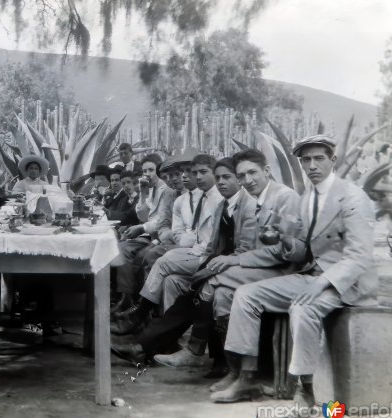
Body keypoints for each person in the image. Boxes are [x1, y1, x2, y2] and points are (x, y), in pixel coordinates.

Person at [211, 136, 376, 418]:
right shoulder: (308, 198)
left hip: (346, 282)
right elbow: (302, 251)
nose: (311, 165)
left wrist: (322, 283)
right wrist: (286, 239)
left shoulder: (352, 196)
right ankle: (247, 377)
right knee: (246, 294)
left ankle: (305, 391)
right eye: (305, 160)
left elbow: (359, 256)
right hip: (312, 274)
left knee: (303, 307)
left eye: (318, 158)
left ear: (332, 160)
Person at [154, 149, 301, 382]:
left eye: (252, 173)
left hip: (282, 271)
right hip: (259, 266)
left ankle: (196, 350)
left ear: (267, 171)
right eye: (242, 176)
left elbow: (283, 252)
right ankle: (234, 370)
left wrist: (233, 260)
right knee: (221, 294)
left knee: (210, 280)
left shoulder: (284, 197)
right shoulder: (255, 199)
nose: (247, 180)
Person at [110, 154, 175, 317]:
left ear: (158, 171)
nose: (148, 174)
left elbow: (162, 220)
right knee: (121, 248)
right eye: (145, 170)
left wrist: (141, 227)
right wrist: (144, 195)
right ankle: (126, 297)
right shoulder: (149, 188)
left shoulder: (166, 189)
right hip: (149, 233)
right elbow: (143, 216)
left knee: (140, 255)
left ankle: (141, 307)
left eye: (151, 170)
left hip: (159, 234)